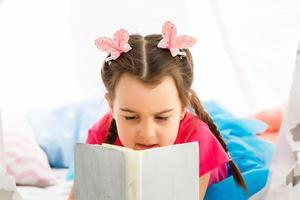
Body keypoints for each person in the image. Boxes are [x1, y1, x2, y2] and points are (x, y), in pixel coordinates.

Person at [68, 21, 246, 200]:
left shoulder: (197, 140)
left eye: (161, 117)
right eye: (130, 117)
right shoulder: (101, 132)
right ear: (111, 106)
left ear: (183, 107)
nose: (147, 134)